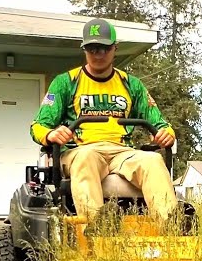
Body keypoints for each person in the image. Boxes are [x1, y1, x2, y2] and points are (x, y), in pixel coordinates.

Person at [30, 17, 178, 223]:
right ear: (84, 50)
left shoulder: (131, 85)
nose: (98, 54)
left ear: (115, 48)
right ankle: (95, 226)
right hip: (80, 150)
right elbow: (38, 126)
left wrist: (166, 134)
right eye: (92, 49)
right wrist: (50, 134)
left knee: (153, 160)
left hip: (122, 152)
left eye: (104, 48)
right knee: (87, 157)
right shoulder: (65, 83)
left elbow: (161, 124)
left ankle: (171, 229)